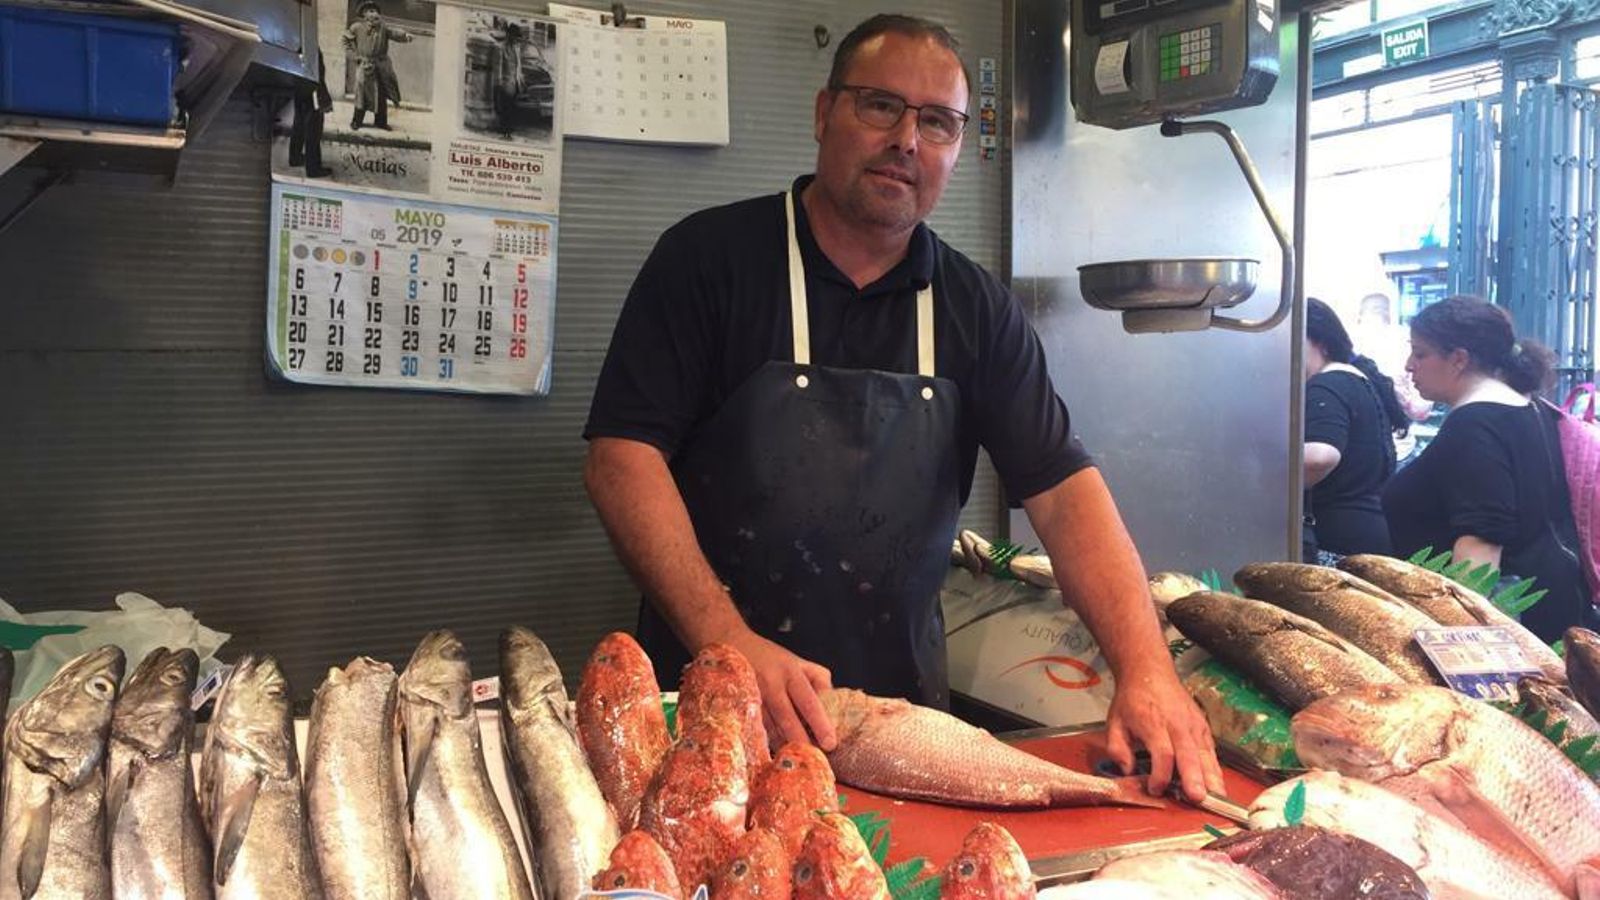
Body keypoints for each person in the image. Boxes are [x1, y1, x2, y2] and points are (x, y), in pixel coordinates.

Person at [583, 14, 1222, 802]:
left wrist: (1148, 670)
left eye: (938, 122)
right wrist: (727, 643)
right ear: (824, 115)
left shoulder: (975, 307)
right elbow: (621, 458)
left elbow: (1063, 491)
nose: (907, 140)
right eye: (881, 106)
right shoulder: (708, 261)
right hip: (710, 716)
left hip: (901, 726)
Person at [1382, 295, 1596, 640]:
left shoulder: (1475, 423)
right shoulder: (1527, 407)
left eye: (1420, 353)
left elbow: (1481, 546)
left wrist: (1462, 642)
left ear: (1458, 359)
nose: (1409, 365)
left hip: (1507, 624)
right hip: (1545, 607)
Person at [1302, 298, 1411, 562]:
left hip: (1338, 544)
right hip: (1367, 536)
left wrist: (1267, 483)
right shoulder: (1355, 380)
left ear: (1321, 343)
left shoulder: (1326, 385)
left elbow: (1320, 455)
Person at [343, 0, 412, 131]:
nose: (374, 14)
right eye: (370, 11)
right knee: (362, 93)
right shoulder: (357, 27)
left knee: (381, 94)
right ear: (364, 14)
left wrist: (405, 36)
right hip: (365, 65)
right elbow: (345, 40)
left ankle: (381, 122)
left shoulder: (383, 27)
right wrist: (354, 56)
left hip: (381, 66)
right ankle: (356, 121)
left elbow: (394, 33)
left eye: (375, 11)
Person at [289, 50, 334, 178]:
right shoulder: (311, 46)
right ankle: (313, 168)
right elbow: (317, 73)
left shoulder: (297, 42)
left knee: (299, 122)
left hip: (299, 86)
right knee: (313, 129)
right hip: (312, 89)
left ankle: (295, 157)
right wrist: (322, 94)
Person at [489, 22, 526, 138]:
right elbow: (498, 67)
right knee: (505, 108)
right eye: (515, 37)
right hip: (505, 83)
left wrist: (520, 79)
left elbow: (518, 65)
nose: (517, 40)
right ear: (509, 35)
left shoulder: (517, 47)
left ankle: (508, 129)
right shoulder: (500, 48)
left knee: (512, 107)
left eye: (518, 37)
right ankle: (505, 131)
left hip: (515, 83)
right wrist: (498, 84)